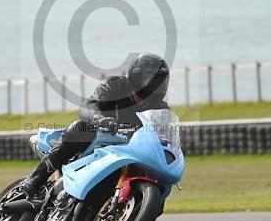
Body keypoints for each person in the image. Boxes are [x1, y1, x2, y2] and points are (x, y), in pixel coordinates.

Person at [20, 52, 170, 198]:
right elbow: (88, 107)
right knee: (81, 127)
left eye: (162, 82)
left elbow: (163, 138)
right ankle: (36, 178)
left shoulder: (161, 108)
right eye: (155, 82)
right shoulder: (115, 85)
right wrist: (100, 119)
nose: (159, 87)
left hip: (127, 152)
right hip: (99, 141)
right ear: (138, 77)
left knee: (159, 180)